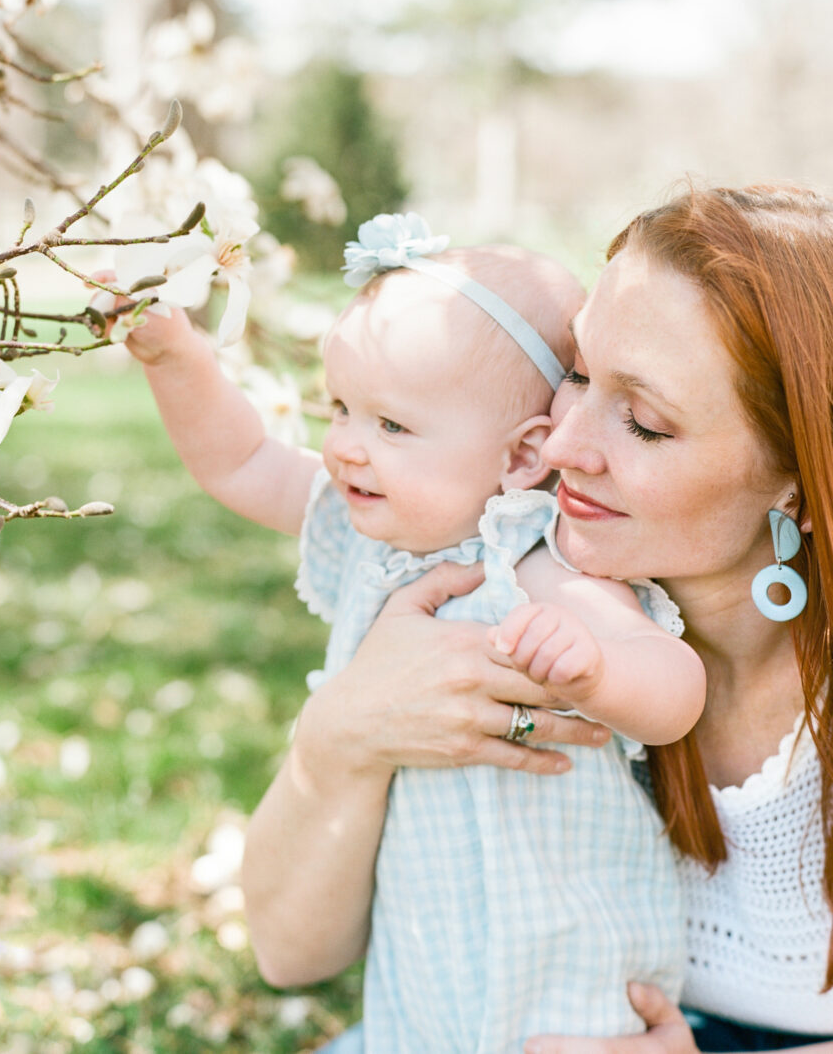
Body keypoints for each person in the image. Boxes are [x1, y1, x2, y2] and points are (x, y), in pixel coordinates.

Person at [242, 185, 833, 1053]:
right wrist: (342, 734)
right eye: (578, 375)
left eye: (644, 422)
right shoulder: (509, 579)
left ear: (798, 478)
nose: (559, 447)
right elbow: (292, 953)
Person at [121, 213, 702, 1050]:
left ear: (519, 456)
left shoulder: (535, 561)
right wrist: (176, 358)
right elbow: (241, 460)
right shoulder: (364, 534)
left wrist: (596, 668)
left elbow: (673, 683)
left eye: (391, 425)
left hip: (564, 1001)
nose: (348, 447)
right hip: (421, 998)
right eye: (341, 408)